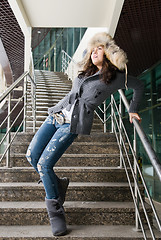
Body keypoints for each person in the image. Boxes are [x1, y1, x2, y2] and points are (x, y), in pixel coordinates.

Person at [26, 32, 144, 236]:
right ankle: (59, 184)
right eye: (93, 49)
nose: (95, 52)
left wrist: (132, 108)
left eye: (100, 49)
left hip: (71, 125)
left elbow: (139, 85)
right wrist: (54, 108)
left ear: (108, 54)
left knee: (44, 164)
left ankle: (56, 213)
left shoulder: (115, 78)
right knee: (31, 156)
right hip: (56, 117)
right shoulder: (84, 72)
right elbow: (73, 91)